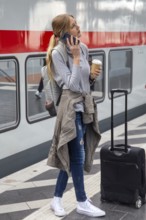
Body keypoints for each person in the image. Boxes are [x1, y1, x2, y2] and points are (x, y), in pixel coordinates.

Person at [47, 14, 106, 218]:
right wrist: (77, 59)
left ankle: (56, 199)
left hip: (83, 105)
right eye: (73, 25)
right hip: (70, 109)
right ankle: (81, 201)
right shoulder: (58, 53)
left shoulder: (83, 46)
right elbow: (70, 85)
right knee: (78, 157)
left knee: (72, 157)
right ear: (64, 32)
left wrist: (90, 77)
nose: (78, 27)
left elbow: (82, 82)